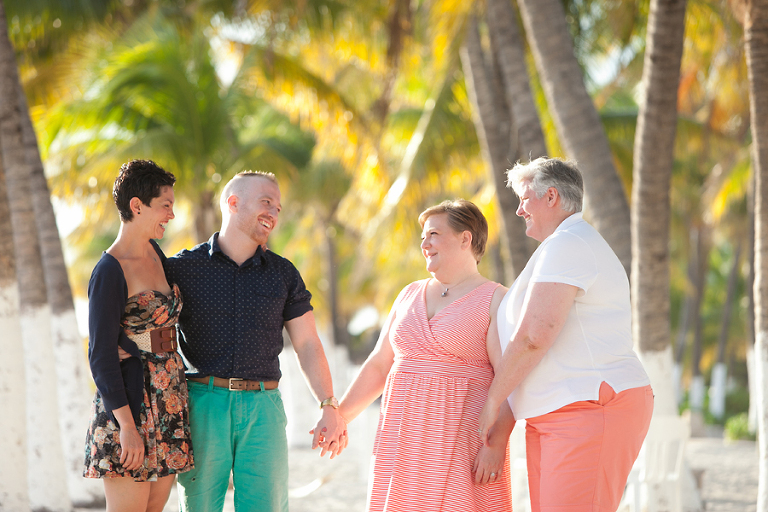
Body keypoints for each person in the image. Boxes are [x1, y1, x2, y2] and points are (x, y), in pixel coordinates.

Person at [478, 157, 654, 512]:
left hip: (589, 408)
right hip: (557, 413)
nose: (518, 210)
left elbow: (533, 336)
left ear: (552, 196)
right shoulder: (559, 246)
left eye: (524, 199)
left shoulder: (570, 243)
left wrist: (492, 401)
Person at [164, 171, 346, 512]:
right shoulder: (182, 268)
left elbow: (307, 343)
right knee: (199, 507)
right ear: (233, 203)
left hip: (264, 409)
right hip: (203, 405)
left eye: (278, 207)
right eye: (266, 202)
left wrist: (328, 404)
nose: (274, 214)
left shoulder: (284, 273)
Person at [338, 199, 515, 512]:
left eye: (433, 234)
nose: (425, 244)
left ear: (465, 238)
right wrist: (340, 417)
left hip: (462, 446)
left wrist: (496, 445)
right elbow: (380, 364)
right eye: (423, 237)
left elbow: (509, 380)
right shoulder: (408, 293)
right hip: (401, 442)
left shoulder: (495, 299)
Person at [84, 159, 193, 512]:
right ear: (136, 205)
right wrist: (127, 426)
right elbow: (100, 355)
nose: (171, 215)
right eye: (166, 205)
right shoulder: (109, 271)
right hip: (129, 410)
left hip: (169, 401)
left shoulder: (156, 253)